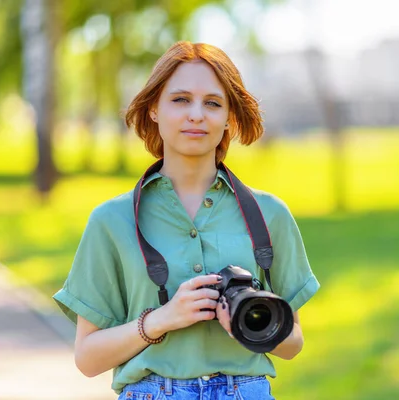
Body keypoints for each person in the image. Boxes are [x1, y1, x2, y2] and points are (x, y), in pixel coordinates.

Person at [53, 41, 320, 400]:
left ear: (228, 117)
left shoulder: (269, 214)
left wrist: (248, 323)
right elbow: (87, 359)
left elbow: (293, 344)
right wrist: (162, 319)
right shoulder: (111, 221)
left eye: (212, 103)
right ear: (153, 110)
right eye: (180, 100)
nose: (197, 114)